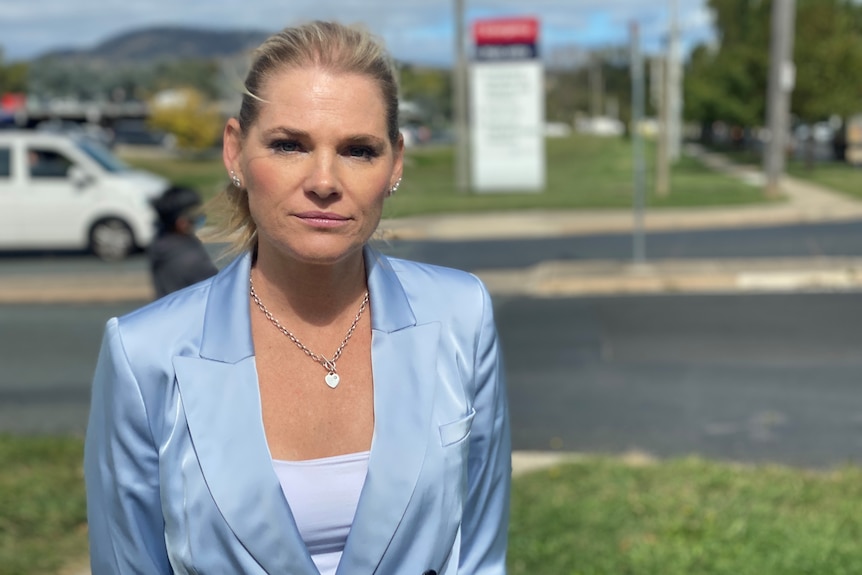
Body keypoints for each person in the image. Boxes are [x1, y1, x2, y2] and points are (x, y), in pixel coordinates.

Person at [84, 20, 511, 575]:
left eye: (358, 150)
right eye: (289, 145)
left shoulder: (461, 314)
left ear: (395, 163)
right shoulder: (144, 353)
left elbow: (479, 555)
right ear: (235, 152)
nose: (325, 180)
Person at [148, 185, 218, 298]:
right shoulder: (191, 259)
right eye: (195, 214)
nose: (200, 216)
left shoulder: (159, 243)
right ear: (182, 223)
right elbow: (216, 290)